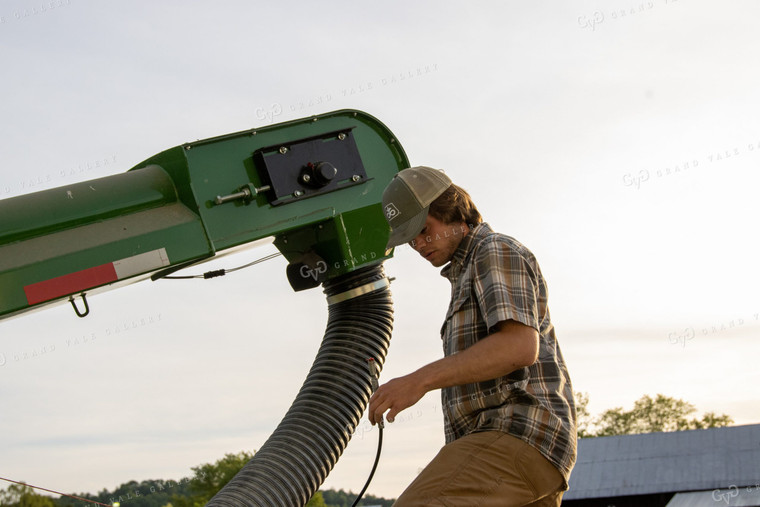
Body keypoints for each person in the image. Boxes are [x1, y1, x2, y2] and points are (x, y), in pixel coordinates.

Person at [369, 166, 576, 506]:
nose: (419, 245)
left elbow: (519, 346)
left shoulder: (494, 250)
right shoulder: (465, 274)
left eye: (424, 231)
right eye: (411, 240)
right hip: (520, 451)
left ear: (451, 210)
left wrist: (418, 381)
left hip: (519, 431)